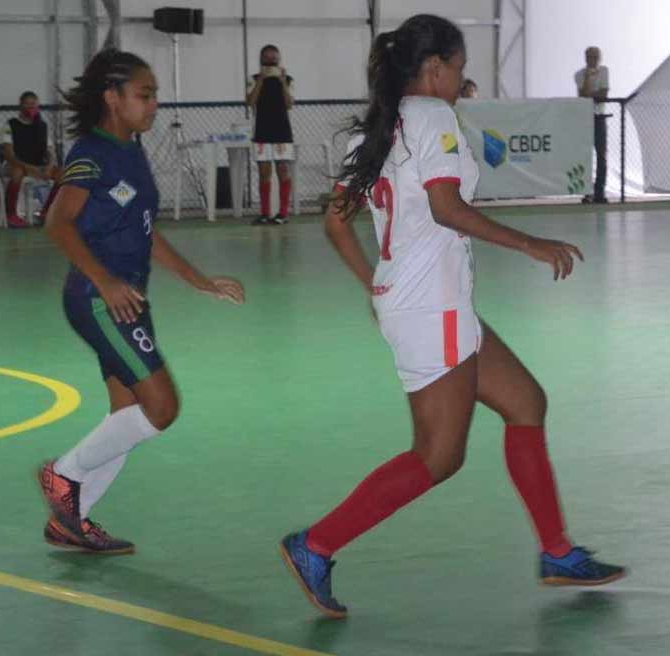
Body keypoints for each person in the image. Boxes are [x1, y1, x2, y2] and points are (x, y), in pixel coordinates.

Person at [279, 14, 626, 620]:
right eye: (460, 68)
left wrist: (376, 284)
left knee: (525, 403)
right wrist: (531, 244)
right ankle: (315, 544)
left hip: (431, 304)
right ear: (435, 67)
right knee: (438, 457)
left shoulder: (379, 130)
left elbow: (336, 220)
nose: (463, 80)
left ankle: (556, 551)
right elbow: (446, 208)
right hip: (430, 309)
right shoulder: (432, 116)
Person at [37, 49, 245, 554]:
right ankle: (62, 474)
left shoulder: (132, 148)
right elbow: (57, 223)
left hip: (128, 298)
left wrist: (197, 279)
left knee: (126, 417)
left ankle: (72, 520)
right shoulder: (91, 152)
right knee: (161, 408)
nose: (154, 104)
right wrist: (105, 282)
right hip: (100, 299)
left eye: (154, 95)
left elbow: (145, 231)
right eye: (144, 94)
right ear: (112, 98)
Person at [246, 44, 295, 224]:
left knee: (283, 170)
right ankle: (265, 213)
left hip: (282, 131)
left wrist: (282, 81)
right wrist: (261, 79)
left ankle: (283, 213)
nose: (270, 61)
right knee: (264, 171)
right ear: (261, 59)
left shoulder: (288, 79)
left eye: (274, 58)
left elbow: (289, 104)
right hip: (262, 131)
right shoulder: (253, 79)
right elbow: (250, 101)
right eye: (267, 58)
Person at [1, 91, 60, 227]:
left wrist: (50, 167)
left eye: (34, 105)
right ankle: (11, 215)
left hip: (37, 166)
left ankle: (45, 213)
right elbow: (9, 154)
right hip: (15, 165)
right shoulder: (10, 124)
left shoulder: (42, 126)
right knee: (18, 172)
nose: (31, 107)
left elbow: (50, 152)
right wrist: (28, 168)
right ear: (21, 106)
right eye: (27, 104)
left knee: (63, 175)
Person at [575, 46, 610, 204]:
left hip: (599, 117)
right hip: (584, 119)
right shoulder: (579, 74)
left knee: (601, 156)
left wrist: (590, 94)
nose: (593, 60)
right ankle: (587, 192)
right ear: (585, 58)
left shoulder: (604, 71)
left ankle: (599, 192)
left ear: (599, 58)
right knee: (585, 155)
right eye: (589, 56)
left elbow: (603, 94)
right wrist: (589, 78)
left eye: (595, 56)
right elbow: (582, 95)